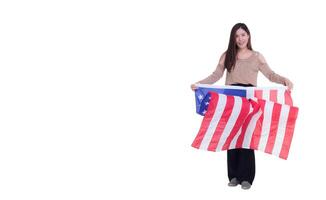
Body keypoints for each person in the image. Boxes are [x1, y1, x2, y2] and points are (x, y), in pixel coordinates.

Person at [190, 23, 293, 190]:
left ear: (249, 36)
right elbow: (216, 75)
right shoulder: (227, 55)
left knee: (247, 136)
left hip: (249, 99)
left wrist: (284, 80)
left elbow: (270, 75)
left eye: (243, 35)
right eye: (237, 36)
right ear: (233, 38)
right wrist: (199, 84)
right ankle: (234, 176)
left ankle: (247, 178)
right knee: (231, 135)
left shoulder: (257, 56)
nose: (240, 39)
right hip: (231, 99)